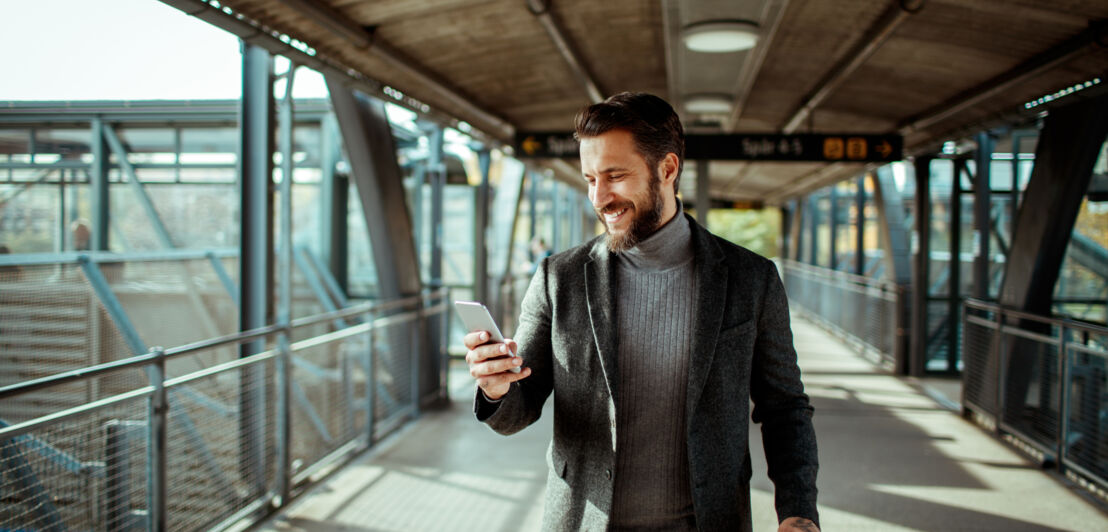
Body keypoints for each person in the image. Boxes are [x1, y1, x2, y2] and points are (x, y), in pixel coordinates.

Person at [464, 92, 819, 531]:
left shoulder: (751, 278)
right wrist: (497, 387)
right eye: (590, 178)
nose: (599, 197)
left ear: (667, 169)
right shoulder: (559, 278)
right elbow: (519, 410)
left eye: (614, 176)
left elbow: (784, 407)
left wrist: (799, 512)